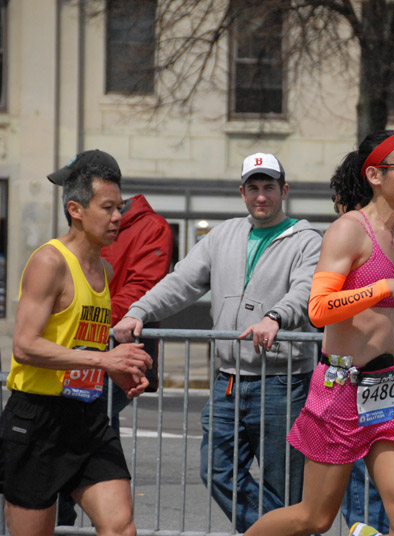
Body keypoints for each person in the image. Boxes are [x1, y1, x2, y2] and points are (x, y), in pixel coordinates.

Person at [244, 130, 394, 536]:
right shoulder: (348, 231)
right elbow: (319, 309)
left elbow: (381, 315)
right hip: (339, 388)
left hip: (385, 389)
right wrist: (386, 288)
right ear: (375, 175)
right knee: (314, 518)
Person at [113, 152, 322, 532]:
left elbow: (306, 290)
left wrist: (275, 317)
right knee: (216, 470)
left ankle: (281, 527)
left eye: (269, 188)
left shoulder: (307, 240)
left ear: (284, 191)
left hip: (283, 381)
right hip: (228, 380)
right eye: (254, 188)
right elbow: (180, 283)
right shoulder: (222, 235)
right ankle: (278, 531)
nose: (262, 196)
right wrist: (137, 312)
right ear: (242, 193)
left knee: (285, 485)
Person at [0, 164, 151, 536]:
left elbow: (79, 341)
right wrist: (104, 358)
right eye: (107, 207)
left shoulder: (105, 269)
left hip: (87, 417)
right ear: (76, 210)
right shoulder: (49, 262)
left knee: (121, 528)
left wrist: (112, 369)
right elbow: (25, 346)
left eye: (120, 208)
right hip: (37, 418)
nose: (118, 217)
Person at [47, 150, 174, 526]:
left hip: (112, 354)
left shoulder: (150, 228)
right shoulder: (80, 233)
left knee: (81, 444)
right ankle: (70, 521)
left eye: (71, 185)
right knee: (78, 447)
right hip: (84, 356)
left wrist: (86, 321)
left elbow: (140, 290)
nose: (65, 197)